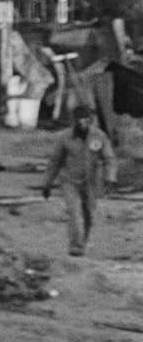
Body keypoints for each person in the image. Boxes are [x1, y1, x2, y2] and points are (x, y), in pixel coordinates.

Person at [41, 105, 118, 256]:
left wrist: (110, 177)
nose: (83, 123)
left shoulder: (99, 136)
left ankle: (82, 241)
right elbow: (55, 162)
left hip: (91, 182)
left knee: (88, 214)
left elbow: (109, 158)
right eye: (79, 120)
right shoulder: (64, 138)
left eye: (86, 120)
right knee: (74, 212)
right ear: (74, 121)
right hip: (70, 181)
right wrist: (47, 184)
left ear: (91, 121)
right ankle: (76, 246)